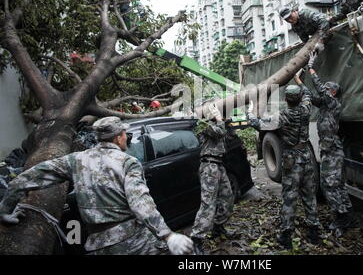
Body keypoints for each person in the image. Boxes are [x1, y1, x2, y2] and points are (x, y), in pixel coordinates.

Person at [0, 117, 193, 255]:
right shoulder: (128, 162)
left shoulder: (76, 160)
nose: (126, 137)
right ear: (119, 137)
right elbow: (140, 203)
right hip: (134, 243)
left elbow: (25, 179)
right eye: (125, 134)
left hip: (97, 246)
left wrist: (5, 210)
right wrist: (168, 236)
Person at [249, 82, 320, 248]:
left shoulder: (282, 116)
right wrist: (301, 81)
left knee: (289, 197)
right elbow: (308, 95)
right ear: (299, 98)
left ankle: (286, 236)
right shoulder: (306, 110)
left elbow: (257, 124)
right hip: (306, 157)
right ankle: (314, 233)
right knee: (309, 195)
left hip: (292, 160)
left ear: (286, 99)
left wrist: (250, 112)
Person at [307, 52, 355, 236]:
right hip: (328, 150)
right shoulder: (325, 106)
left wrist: (311, 69)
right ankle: (348, 215)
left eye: (327, 89)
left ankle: (342, 218)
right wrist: (299, 82)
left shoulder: (333, 103)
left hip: (333, 150)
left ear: (333, 92)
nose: (324, 91)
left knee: (329, 185)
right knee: (336, 184)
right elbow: (312, 96)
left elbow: (319, 90)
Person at [191, 103, 235, 255]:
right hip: (209, 166)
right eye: (212, 108)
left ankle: (218, 227)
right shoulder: (202, 124)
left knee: (228, 198)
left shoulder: (215, 122)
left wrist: (225, 119)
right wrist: (219, 119)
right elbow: (219, 132)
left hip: (218, 165)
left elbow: (228, 135)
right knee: (208, 204)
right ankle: (197, 238)